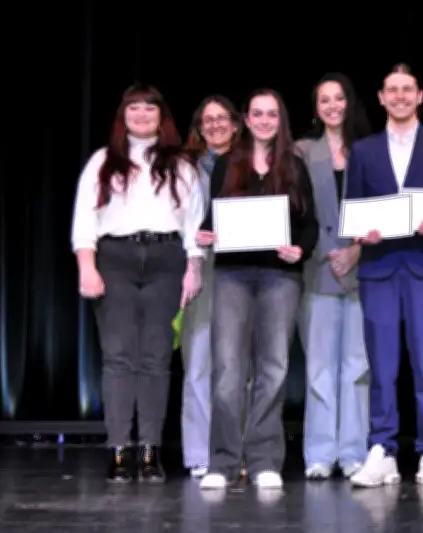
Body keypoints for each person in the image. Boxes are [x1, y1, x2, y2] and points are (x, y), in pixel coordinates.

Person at [70, 83, 205, 484]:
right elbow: (84, 219)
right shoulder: (103, 161)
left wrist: (193, 268)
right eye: (134, 108)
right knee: (118, 358)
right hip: (115, 260)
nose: (142, 115)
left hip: (167, 261)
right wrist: (86, 266)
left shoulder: (180, 164)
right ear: (123, 116)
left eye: (150, 109)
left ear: (162, 117)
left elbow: (194, 224)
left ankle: (149, 451)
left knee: (156, 359)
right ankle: (117, 450)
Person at [196, 88, 319, 490]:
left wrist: (299, 249)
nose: (264, 120)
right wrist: (205, 235)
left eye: (272, 114)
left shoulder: (294, 166)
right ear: (246, 120)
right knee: (228, 370)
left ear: (279, 120)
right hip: (232, 276)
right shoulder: (227, 164)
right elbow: (213, 218)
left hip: (280, 278)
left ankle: (265, 459)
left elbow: (309, 224)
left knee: (274, 368)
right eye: (257, 114)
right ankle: (223, 462)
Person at [346, 63, 423, 488]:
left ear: (420, 96)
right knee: (382, 366)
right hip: (378, 267)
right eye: (391, 90)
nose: (399, 96)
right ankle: (383, 450)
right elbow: (352, 210)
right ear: (380, 97)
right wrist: (361, 232)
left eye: (406, 89)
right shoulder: (364, 150)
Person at [294, 73, 372, 480]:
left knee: (358, 366)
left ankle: (354, 452)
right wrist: (329, 253)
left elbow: (383, 208)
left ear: (349, 102)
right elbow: (296, 213)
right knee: (320, 367)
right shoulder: (302, 150)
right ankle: (320, 454)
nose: (332, 106)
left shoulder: (370, 149)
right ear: (316, 106)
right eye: (324, 100)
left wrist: (357, 251)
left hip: (363, 270)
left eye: (338, 98)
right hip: (318, 269)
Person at [180, 95, 241, 479]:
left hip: (242, 267)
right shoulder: (184, 167)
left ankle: (239, 452)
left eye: (222, 119)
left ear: (236, 124)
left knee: (239, 367)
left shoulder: (254, 163)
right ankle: (199, 453)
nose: (215, 125)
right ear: (199, 129)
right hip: (198, 266)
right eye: (208, 120)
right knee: (198, 362)